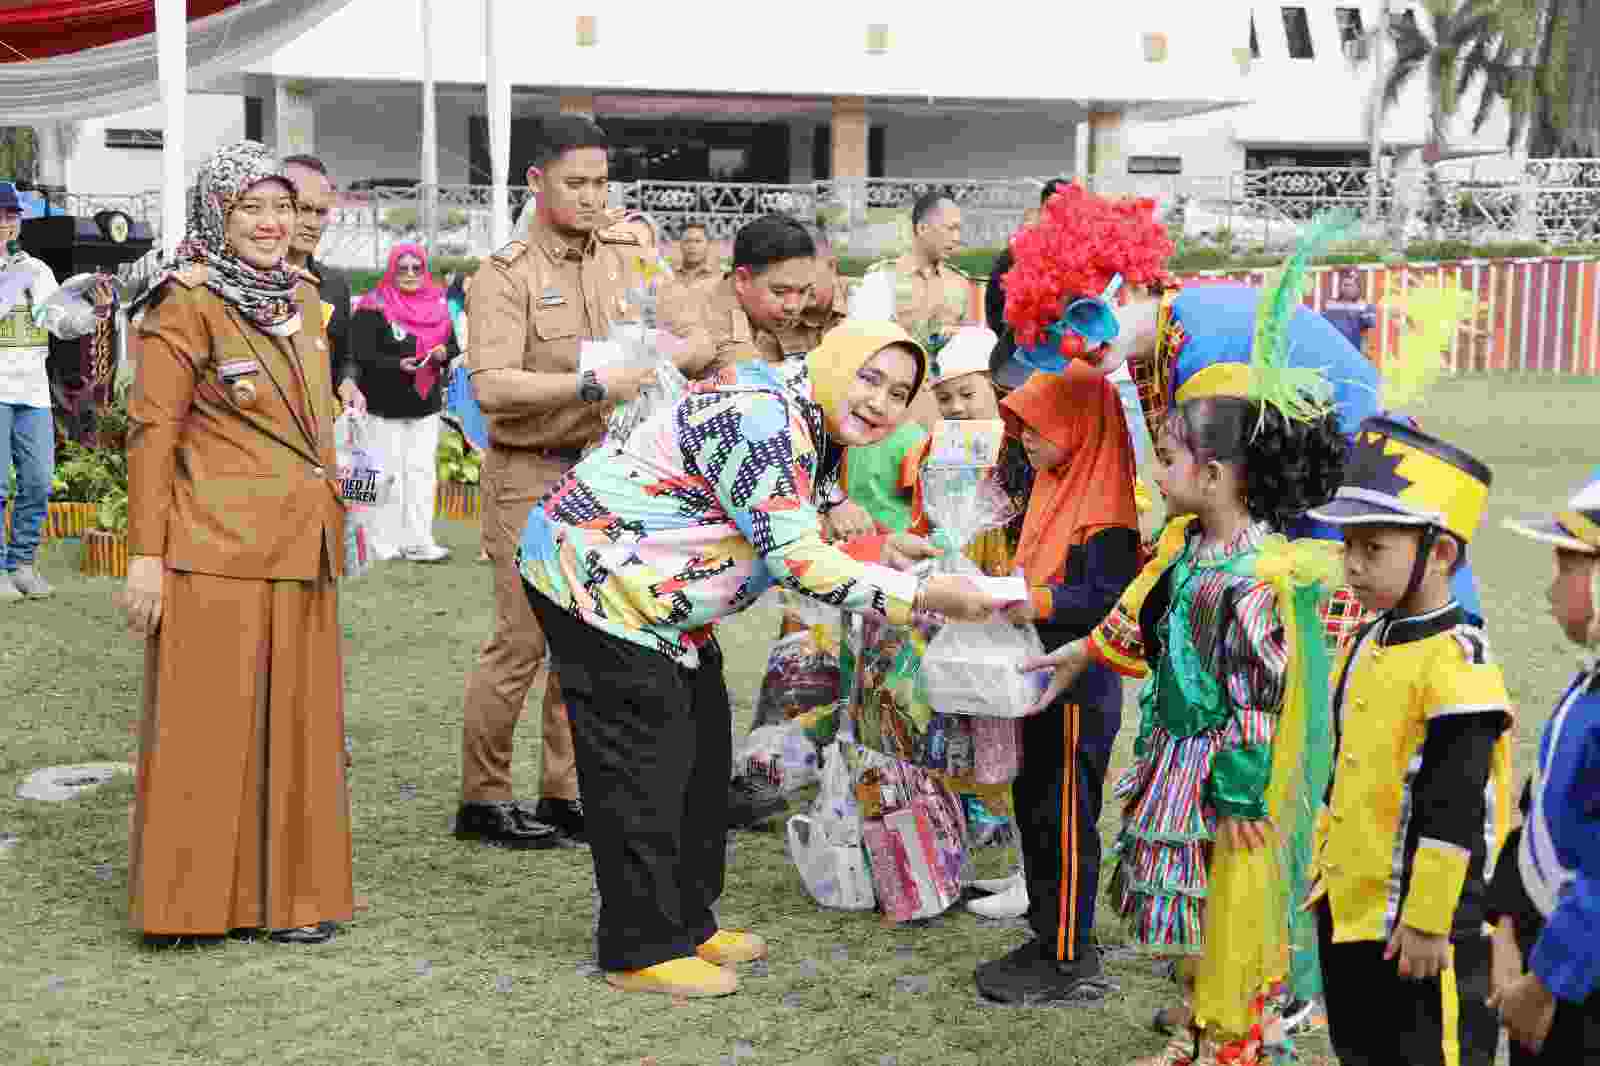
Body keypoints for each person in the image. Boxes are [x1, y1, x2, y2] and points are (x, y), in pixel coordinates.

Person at [516, 318, 1006, 997]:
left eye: (898, 393)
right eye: (870, 378)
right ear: (837, 362)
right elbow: (795, 557)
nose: (880, 403)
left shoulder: (811, 414)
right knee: (642, 760)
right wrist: (920, 594)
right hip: (594, 583)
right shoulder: (763, 416)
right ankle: (641, 946)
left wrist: (885, 553)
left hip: (663, 603)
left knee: (703, 747)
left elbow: (808, 524)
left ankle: (688, 921)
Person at [121, 141, 352, 944]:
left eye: (282, 208)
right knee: (207, 734)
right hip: (212, 548)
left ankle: (288, 903)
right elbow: (151, 437)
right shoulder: (184, 301)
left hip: (301, 547)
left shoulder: (304, 295)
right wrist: (144, 557)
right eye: (251, 208)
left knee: (297, 735)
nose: (270, 224)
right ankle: (189, 909)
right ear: (217, 214)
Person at [455, 115, 668, 850]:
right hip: (530, 472)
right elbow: (491, 386)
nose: (591, 197)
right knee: (520, 642)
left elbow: (663, 329)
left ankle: (565, 793)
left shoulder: (624, 256)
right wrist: (589, 382)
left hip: (605, 474)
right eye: (575, 183)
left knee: (586, 637)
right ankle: (483, 798)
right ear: (536, 182)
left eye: (601, 183)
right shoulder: (506, 272)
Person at [1304, 417, 1512, 1066]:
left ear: (1440, 553)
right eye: (1348, 547)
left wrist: (1429, 920)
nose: (1354, 566)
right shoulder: (1368, 638)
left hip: (1424, 929)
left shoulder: (1460, 660)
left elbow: (1454, 800)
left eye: (1373, 548)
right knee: (1360, 1049)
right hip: (1351, 909)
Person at [972, 362, 1141, 999]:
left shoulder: (1106, 509)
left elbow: (1107, 596)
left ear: (1079, 423)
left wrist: (1034, 601)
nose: (1024, 438)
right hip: (1039, 674)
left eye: (1036, 425)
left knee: (1067, 816)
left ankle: (1070, 956)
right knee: (1035, 807)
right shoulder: (1055, 486)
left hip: (1078, 684)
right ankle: (1050, 934)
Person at [1487, 473, 1600, 1062]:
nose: (1551, 590)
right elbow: (1539, 810)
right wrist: (1505, 925)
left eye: (1568, 566)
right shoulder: (1587, 688)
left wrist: (1546, 982)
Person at [1, 181, 112, 602]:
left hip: (32, 390)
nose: (6, 223)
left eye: (12, 216)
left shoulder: (38, 270)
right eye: (0, 215)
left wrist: (94, 313)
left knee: (38, 479)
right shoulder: (23, 270)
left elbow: (58, 322)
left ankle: (22, 564)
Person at [349, 243, 459, 564]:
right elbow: (362, 354)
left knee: (422, 474)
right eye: (403, 268)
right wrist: (397, 365)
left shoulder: (438, 305)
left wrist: (443, 354)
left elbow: (452, 344)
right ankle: (383, 543)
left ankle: (419, 540)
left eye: (416, 268)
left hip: (424, 404)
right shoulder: (374, 305)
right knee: (387, 473)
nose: (410, 274)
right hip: (384, 404)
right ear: (392, 270)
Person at [859, 191, 981, 431]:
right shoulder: (882, 278)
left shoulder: (961, 283)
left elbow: (973, 353)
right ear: (923, 228)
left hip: (950, 413)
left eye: (959, 230)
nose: (957, 238)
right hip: (893, 411)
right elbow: (866, 347)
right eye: (950, 229)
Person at [658, 212, 816, 373]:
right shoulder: (720, 330)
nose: (792, 306)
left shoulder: (731, 292)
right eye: (780, 292)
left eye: (803, 291)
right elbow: (754, 378)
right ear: (741, 280)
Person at [282, 154, 363, 414]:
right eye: (303, 209)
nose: (313, 223)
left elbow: (345, 357)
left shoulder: (334, 286)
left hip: (318, 435)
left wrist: (348, 383)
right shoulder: (238, 283)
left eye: (321, 212)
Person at [986, 178, 1067, 392]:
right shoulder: (1014, 254)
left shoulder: (1082, 258)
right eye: (1052, 210)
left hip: (1064, 369)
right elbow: (993, 308)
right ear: (1042, 211)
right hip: (1018, 365)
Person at [1320, 268, 1378, 355]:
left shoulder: (1365, 306)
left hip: (1353, 350)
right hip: (1333, 349)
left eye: (1350, 285)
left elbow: (1370, 325)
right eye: (1344, 285)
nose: (1346, 288)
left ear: (1358, 288)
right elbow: (1322, 324)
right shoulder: (1331, 305)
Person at [672, 221, 720, 290]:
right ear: (680, 244)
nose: (692, 246)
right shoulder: (668, 275)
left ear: (708, 244)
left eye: (698, 241)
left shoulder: (719, 277)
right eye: (687, 241)